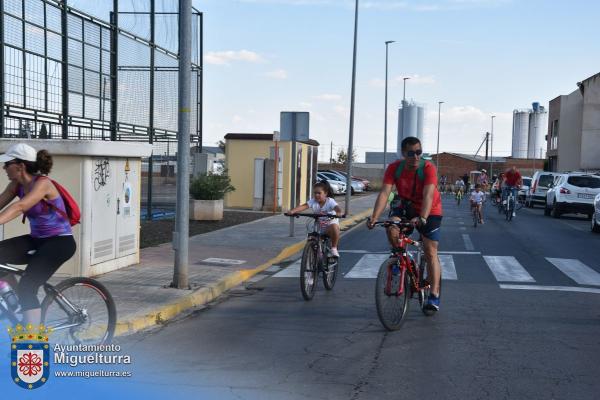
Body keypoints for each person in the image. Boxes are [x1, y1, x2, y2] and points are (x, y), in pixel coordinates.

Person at [0, 143, 76, 326]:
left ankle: (32, 342)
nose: (3, 167)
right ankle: (18, 304)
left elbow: (20, 207)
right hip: (37, 240)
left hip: (59, 243)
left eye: (7, 164)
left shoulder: (43, 184)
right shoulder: (16, 185)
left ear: (20, 165)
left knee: (28, 287)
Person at [367, 136, 443, 312]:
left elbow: (428, 196)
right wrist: (374, 217)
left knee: (430, 252)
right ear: (403, 153)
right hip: (406, 206)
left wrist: (422, 217)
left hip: (430, 210)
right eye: (411, 153)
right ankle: (399, 259)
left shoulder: (429, 168)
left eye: (419, 152)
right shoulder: (395, 168)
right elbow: (385, 193)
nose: (416, 157)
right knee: (391, 226)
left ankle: (434, 295)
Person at [288, 181, 343, 257]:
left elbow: (337, 208)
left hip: (329, 227)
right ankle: (316, 257)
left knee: (335, 227)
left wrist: (338, 212)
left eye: (319, 193)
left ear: (325, 193)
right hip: (319, 227)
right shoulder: (313, 201)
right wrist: (292, 211)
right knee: (312, 238)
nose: (316, 195)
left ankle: (334, 248)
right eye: (315, 193)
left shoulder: (330, 201)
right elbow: (304, 206)